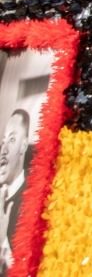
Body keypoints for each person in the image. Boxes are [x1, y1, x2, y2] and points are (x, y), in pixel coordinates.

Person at [0, 110, 30, 276]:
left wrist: (2, 241)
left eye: (12, 140)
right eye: (3, 140)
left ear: (24, 146)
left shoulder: (31, 201)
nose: (2, 150)